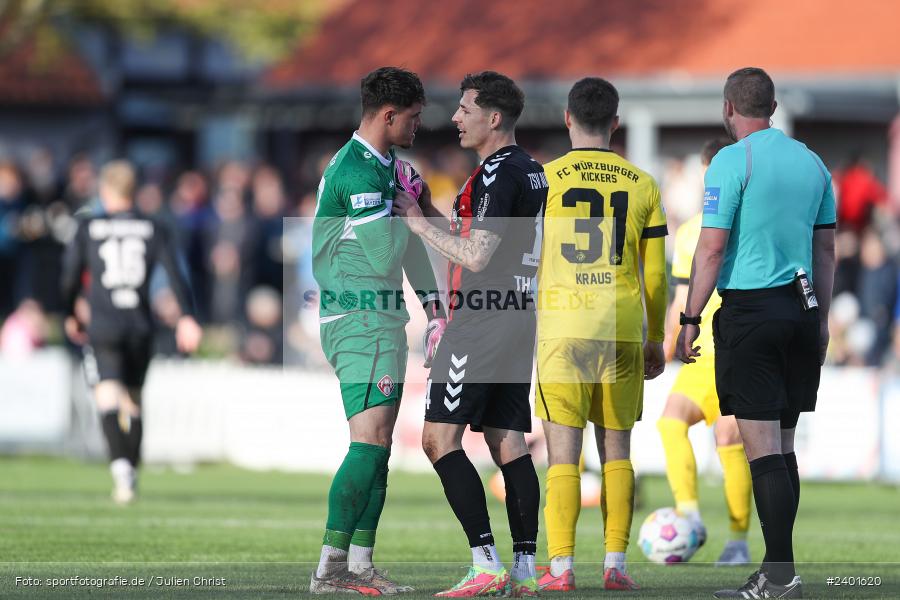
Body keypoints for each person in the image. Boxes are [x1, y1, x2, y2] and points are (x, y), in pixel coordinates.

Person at [676, 67, 836, 599]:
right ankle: (779, 571)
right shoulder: (812, 162)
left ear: (728, 107)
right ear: (772, 105)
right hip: (802, 309)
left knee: (762, 450)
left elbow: (712, 246)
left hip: (752, 311)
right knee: (784, 448)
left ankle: (779, 575)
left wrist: (690, 317)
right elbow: (827, 250)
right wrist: (822, 320)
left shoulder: (730, 160)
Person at [393, 71, 547, 597]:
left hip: (482, 317)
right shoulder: (529, 170)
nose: (455, 118)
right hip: (517, 313)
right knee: (509, 443)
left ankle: (485, 564)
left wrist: (416, 224)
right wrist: (432, 212)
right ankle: (525, 572)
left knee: (438, 439)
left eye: (464, 109)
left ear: (494, 117)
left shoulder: (496, 175)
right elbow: (484, 239)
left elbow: (478, 255)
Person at [309, 66, 445, 595]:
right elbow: (387, 248)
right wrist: (409, 211)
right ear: (388, 115)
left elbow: (407, 249)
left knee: (381, 443)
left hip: (382, 315)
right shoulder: (357, 173)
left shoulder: (388, 166)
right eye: (413, 118)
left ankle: (360, 565)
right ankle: (331, 567)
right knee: (368, 441)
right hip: (357, 316)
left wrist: (434, 307)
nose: (418, 127)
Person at [532, 77, 667, 592]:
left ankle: (562, 568)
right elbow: (655, 274)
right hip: (622, 327)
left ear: (567, 118)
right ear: (615, 122)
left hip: (564, 326)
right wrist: (656, 336)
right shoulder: (643, 183)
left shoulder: (544, 179)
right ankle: (615, 566)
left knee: (563, 455)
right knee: (618, 452)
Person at [61, 160, 202, 504]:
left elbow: (68, 276)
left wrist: (70, 312)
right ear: (133, 191)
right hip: (140, 325)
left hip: (104, 324)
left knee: (107, 398)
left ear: (105, 191)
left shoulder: (87, 227)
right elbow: (174, 274)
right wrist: (186, 316)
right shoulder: (154, 227)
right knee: (134, 401)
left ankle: (122, 471)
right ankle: (132, 470)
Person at [658, 138, 752, 566]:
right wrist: (664, 344)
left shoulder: (751, 223)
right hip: (702, 355)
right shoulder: (692, 228)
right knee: (670, 422)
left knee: (729, 438)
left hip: (738, 351)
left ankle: (738, 540)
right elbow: (681, 296)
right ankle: (690, 517)